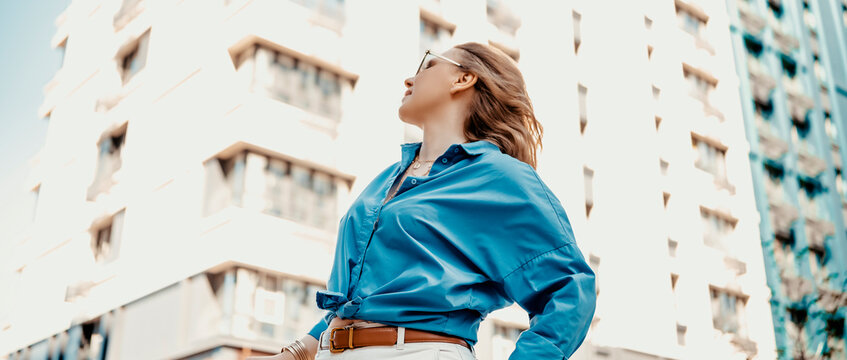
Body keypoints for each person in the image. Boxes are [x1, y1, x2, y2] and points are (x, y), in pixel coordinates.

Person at [247, 42, 596, 360]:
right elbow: (361, 301)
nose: (408, 80)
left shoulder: (502, 177)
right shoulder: (386, 180)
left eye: (426, 65)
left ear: (464, 78)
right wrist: (295, 353)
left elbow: (569, 290)